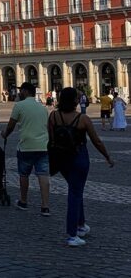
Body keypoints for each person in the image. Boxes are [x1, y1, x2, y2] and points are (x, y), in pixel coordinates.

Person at [48, 87, 114, 246]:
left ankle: (81, 225)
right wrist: (108, 157)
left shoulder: (53, 116)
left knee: (76, 190)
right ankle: (72, 234)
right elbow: (96, 141)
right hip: (79, 158)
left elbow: (51, 139)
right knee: (75, 193)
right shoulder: (83, 119)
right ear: (75, 101)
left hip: (61, 159)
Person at [1, 82, 51, 216]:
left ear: (26, 91)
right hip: (43, 146)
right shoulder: (43, 108)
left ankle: (23, 201)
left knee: (24, 175)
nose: (19, 93)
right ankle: (45, 206)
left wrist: (5, 134)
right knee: (43, 175)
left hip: (26, 146)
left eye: (21, 90)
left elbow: (11, 125)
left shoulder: (19, 106)